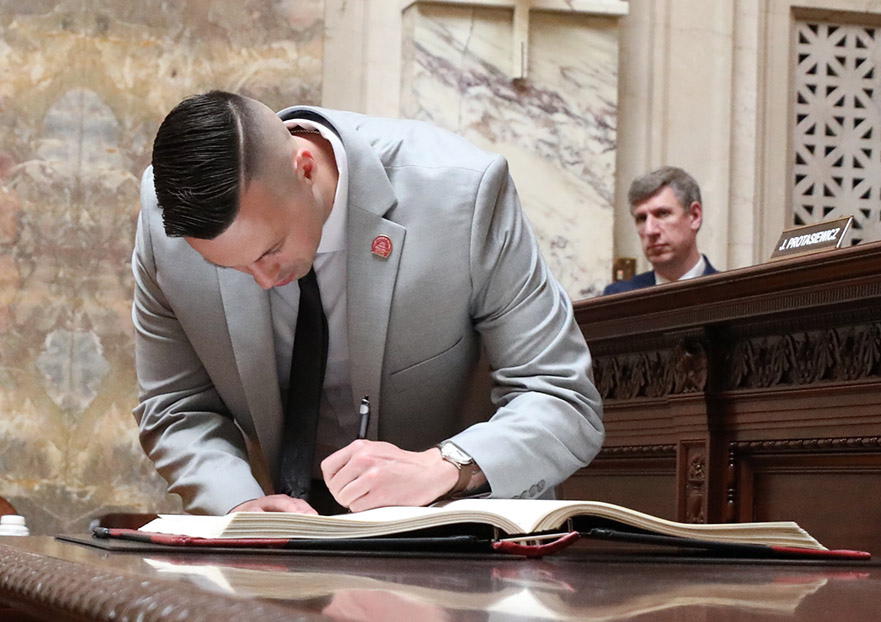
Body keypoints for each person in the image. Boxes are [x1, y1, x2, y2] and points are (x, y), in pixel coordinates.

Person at [132, 90, 604, 516]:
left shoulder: (462, 191)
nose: (263, 280)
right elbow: (175, 406)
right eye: (230, 267)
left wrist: (447, 466)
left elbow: (562, 398)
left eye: (271, 249)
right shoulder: (165, 224)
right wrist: (239, 504)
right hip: (287, 550)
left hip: (464, 531)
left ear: (305, 167)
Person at [603, 166, 718, 295]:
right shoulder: (619, 296)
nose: (650, 231)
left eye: (663, 214)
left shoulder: (729, 292)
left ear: (695, 216)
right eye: (642, 218)